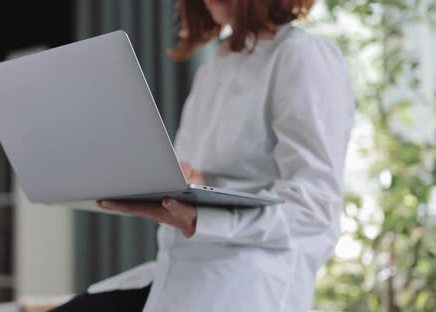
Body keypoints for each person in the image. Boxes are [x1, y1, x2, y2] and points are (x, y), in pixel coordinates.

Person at [51, 0, 354, 311]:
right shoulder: (215, 66)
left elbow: (315, 209)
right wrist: (187, 181)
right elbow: (210, 172)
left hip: (247, 281)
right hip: (180, 272)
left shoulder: (302, 55)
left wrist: (202, 218)